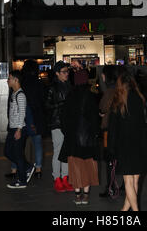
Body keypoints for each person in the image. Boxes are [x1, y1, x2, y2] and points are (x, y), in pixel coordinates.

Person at [107, 67, 147, 211]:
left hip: (124, 146)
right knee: (135, 181)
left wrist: (111, 150)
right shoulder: (140, 99)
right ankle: (124, 210)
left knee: (128, 181)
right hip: (140, 144)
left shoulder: (118, 102)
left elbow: (113, 130)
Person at [59, 71, 100, 206]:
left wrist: (68, 133)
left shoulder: (70, 96)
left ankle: (77, 195)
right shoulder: (91, 96)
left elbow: (63, 118)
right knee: (88, 165)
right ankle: (86, 195)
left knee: (75, 166)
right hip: (88, 139)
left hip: (73, 138)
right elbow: (95, 119)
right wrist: (94, 133)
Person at [45, 61, 74, 192]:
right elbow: (47, 105)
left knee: (67, 152)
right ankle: (57, 178)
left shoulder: (69, 86)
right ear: (57, 73)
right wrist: (61, 104)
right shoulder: (52, 87)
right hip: (57, 122)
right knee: (58, 151)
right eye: (64, 72)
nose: (67, 74)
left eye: (67, 71)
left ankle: (65, 178)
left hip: (68, 122)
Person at [4, 70, 35, 189]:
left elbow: (23, 114)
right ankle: (27, 167)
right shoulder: (14, 93)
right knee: (7, 152)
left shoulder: (20, 95)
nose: (8, 80)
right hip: (12, 128)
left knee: (17, 155)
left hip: (18, 129)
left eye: (9, 78)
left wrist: (19, 130)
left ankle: (22, 180)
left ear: (16, 80)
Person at [21, 60, 46, 178]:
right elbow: (43, 101)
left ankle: (22, 168)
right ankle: (38, 169)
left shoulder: (22, 83)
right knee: (37, 143)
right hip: (37, 116)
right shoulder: (39, 83)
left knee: (22, 144)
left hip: (24, 116)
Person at [98, 65, 120, 198]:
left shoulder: (109, 92)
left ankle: (110, 186)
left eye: (103, 75)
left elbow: (102, 109)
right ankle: (120, 184)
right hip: (119, 130)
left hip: (109, 131)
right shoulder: (120, 90)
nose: (102, 77)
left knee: (109, 159)